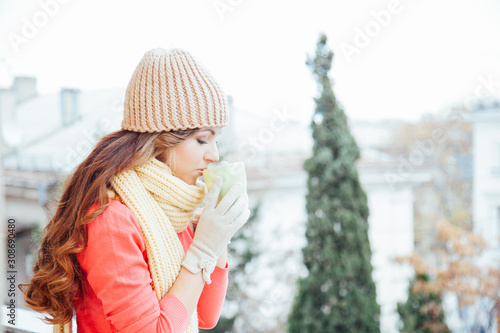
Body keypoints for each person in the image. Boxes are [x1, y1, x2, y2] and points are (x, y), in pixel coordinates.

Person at [20, 48, 250, 333]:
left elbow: (205, 315)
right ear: (162, 140)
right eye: (203, 140)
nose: (214, 155)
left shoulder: (172, 209)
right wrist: (203, 248)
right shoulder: (112, 219)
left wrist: (218, 238)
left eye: (216, 140)